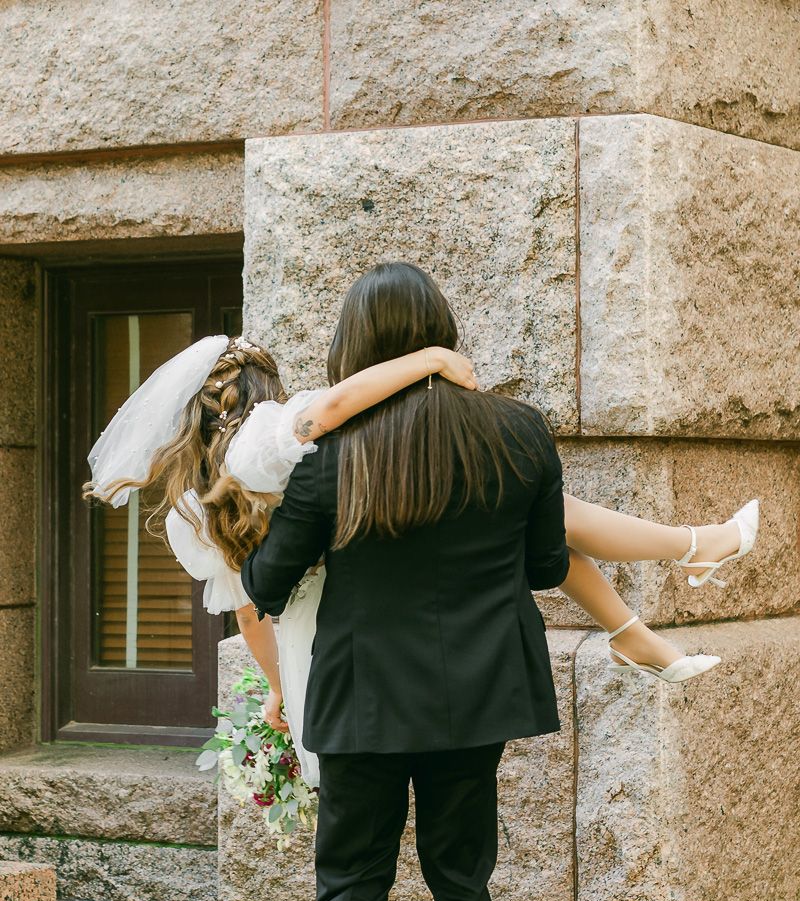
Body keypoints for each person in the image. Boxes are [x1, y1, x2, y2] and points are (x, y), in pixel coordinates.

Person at [238, 262, 758, 901]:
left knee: (350, 894)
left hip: (362, 704)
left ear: (356, 347)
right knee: (463, 888)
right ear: (442, 330)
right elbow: (548, 563)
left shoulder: (334, 456)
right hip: (473, 703)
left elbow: (266, 584)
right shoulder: (518, 433)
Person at [85, 324, 757, 788]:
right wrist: (430, 358)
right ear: (260, 390)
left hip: (326, 638)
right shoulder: (265, 435)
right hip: (380, 608)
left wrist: (283, 690)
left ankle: (652, 602)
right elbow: (335, 405)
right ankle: (686, 553)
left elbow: (250, 609)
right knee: (539, 514)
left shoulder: (197, 504)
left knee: (355, 862)